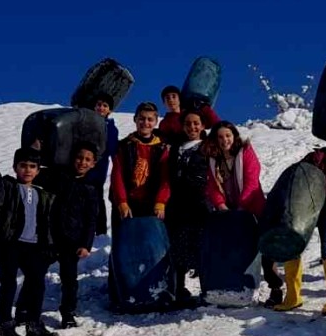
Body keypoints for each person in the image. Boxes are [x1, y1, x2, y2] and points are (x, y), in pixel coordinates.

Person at [273, 127, 326, 315]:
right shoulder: (317, 156)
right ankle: (293, 296)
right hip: (306, 208)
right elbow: (300, 173)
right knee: (294, 245)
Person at [204, 121, 284, 306]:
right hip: (229, 212)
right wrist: (221, 205)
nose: (225, 140)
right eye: (220, 137)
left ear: (234, 136)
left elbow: (251, 182)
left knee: (265, 248)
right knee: (232, 249)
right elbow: (212, 186)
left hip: (253, 208)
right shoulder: (213, 159)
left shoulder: (245, 152)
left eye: (228, 136)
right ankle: (233, 287)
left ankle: (275, 288)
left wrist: (241, 206)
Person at [0, 147, 57, 336]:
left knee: (37, 283)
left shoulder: (42, 194)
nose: (28, 170)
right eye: (23, 166)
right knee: (8, 283)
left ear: (38, 170)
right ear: (15, 167)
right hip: (11, 243)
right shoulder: (7, 186)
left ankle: (34, 324)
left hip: (34, 245)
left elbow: (47, 221)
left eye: (33, 167)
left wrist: (49, 244)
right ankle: (5, 327)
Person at [35, 141, 104, 329]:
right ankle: (28, 311)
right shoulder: (58, 176)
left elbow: (91, 219)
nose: (82, 162)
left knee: (69, 279)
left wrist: (86, 244)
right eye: (79, 157)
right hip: (49, 236)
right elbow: (35, 174)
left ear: (93, 164)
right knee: (36, 275)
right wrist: (37, 152)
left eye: (87, 159)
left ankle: (68, 313)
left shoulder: (91, 187)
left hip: (72, 240)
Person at [165, 109, 212, 306]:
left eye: (196, 123)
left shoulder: (208, 147)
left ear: (202, 125)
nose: (192, 127)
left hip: (200, 204)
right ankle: (179, 289)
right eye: (188, 123)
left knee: (201, 247)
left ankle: (206, 289)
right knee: (179, 247)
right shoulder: (177, 147)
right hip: (178, 204)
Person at [110, 101, 171, 223]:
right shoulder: (124, 146)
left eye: (150, 119)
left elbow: (166, 177)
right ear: (135, 119)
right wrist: (122, 201)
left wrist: (161, 201)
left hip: (152, 204)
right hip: (127, 203)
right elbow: (117, 175)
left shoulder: (162, 148)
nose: (145, 123)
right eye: (142, 119)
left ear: (155, 121)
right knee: (125, 240)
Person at [85, 95, 121, 240]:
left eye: (105, 106)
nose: (101, 108)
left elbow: (113, 149)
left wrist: (118, 167)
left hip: (98, 169)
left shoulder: (110, 127)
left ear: (110, 110)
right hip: (83, 167)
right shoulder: (86, 124)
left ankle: (100, 233)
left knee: (97, 199)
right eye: (99, 104)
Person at [157, 85, 222, 145]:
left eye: (174, 96)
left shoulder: (191, 114)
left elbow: (215, 123)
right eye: (167, 98)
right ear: (164, 102)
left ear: (179, 99)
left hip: (200, 148)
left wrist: (203, 106)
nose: (171, 100)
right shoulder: (164, 123)